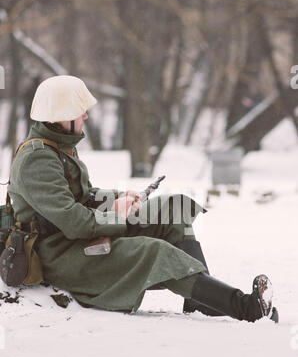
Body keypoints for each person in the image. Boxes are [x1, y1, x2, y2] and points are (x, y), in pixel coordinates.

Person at [8, 75, 278, 323]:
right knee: (154, 252)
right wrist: (118, 216)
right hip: (59, 257)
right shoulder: (37, 158)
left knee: (172, 212)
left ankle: (201, 303)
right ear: (62, 116)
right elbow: (74, 220)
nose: (86, 116)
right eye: (80, 111)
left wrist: (118, 198)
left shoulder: (59, 148)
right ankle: (246, 309)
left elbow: (84, 196)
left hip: (73, 241)